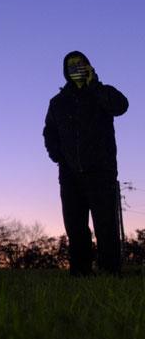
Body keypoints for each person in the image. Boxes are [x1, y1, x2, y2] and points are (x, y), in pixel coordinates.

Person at [43, 51, 128, 276]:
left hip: (101, 172)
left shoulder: (102, 93)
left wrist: (95, 86)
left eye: (79, 64)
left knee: (106, 225)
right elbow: (49, 132)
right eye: (70, 65)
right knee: (75, 227)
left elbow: (121, 106)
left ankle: (111, 272)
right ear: (65, 71)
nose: (75, 68)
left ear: (88, 66)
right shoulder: (58, 102)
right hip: (70, 175)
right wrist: (57, 155)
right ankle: (80, 273)